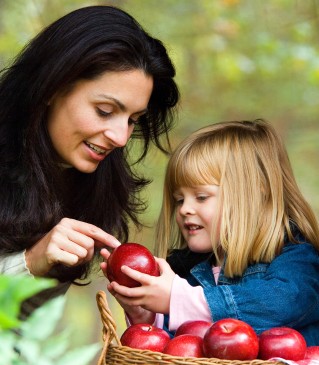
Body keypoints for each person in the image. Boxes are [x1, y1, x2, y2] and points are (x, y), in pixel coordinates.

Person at [0, 5, 179, 319]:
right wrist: (28, 263)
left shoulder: (85, 182)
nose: (121, 138)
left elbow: (18, 328)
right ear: (52, 87)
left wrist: (148, 320)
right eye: (105, 111)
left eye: (133, 120)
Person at [101, 119, 319, 346]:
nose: (185, 209)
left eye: (201, 197)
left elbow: (282, 303)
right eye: (179, 200)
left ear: (254, 194)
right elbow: (183, 351)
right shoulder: (184, 270)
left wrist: (180, 299)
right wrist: (146, 316)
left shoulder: (295, 255)